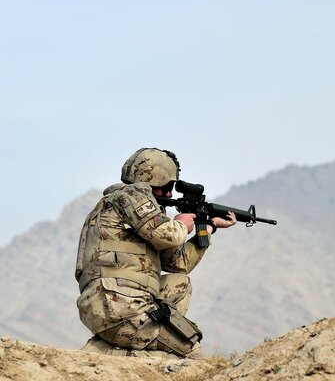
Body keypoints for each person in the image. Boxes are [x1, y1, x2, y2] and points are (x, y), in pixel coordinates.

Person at [75, 147, 236, 359]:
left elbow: (179, 263)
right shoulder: (131, 195)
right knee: (191, 352)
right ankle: (116, 351)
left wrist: (209, 226)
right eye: (168, 186)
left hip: (114, 303)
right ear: (154, 178)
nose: (170, 194)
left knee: (180, 283)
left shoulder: (131, 213)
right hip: (117, 303)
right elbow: (169, 235)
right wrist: (181, 224)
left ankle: (108, 348)